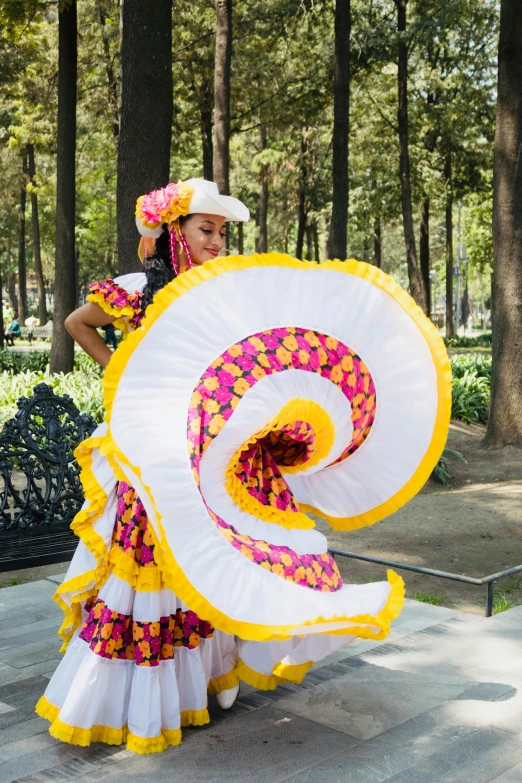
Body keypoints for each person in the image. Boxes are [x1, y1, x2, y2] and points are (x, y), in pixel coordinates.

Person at [36, 178, 450, 754]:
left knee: (212, 561)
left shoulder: (225, 291)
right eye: (206, 230)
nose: (217, 241)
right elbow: (78, 324)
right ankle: (136, 697)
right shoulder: (138, 288)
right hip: (148, 451)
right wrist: (121, 374)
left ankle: (207, 676)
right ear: (173, 233)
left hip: (209, 454)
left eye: (222, 232)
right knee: (156, 569)